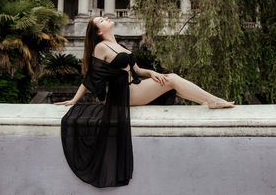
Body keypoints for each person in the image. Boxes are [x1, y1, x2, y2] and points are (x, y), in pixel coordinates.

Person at [55, 17, 235, 188]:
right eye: (101, 21)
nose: (106, 19)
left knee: (170, 81)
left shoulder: (118, 45)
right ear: (99, 31)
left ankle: (207, 101)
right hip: (125, 94)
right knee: (172, 79)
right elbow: (90, 78)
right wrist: (74, 99)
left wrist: (152, 73)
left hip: (135, 86)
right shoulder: (101, 47)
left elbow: (137, 70)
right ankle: (212, 101)